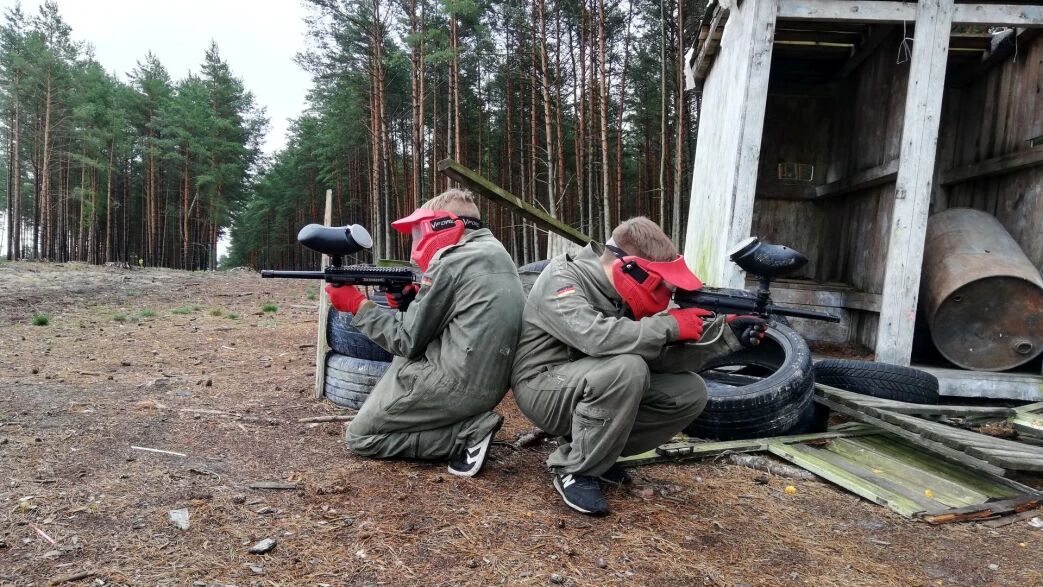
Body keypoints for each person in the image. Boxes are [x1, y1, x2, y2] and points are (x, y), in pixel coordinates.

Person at [510, 216, 767, 514]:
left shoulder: (622, 295)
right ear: (631, 269)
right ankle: (575, 470)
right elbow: (595, 337)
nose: (666, 295)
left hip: (589, 382)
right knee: (628, 368)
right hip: (542, 385)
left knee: (689, 391)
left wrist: (725, 336)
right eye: (663, 285)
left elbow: (657, 356)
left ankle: (597, 452)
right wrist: (668, 326)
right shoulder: (563, 278)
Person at [325, 189, 525, 477]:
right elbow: (461, 317)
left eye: (419, 232)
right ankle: (463, 424)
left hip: (456, 385)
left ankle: (467, 433)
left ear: (442, 226)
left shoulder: (451, 260)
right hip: (488, 384)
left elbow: (406, 341)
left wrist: (357, 306)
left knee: (361, 437)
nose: (416, 242)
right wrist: (411, 302)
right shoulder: (495, 253)